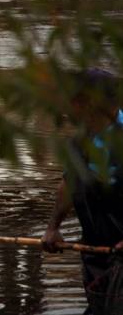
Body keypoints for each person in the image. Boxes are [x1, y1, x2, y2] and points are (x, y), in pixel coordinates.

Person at [42, 68, 123, 314]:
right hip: (96, 255)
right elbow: (70, 184)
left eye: (75, 100)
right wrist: (53, 228)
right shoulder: (80, 141)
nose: (69, 107)